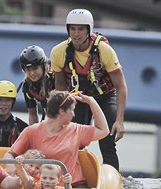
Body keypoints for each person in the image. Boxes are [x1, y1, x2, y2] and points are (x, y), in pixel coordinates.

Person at [50, 8, 127, 171]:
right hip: (78, 98)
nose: (76, 34)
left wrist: (119, 121)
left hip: (104, 96)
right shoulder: (58, 52)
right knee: (73, 140)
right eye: (72, 29)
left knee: (107, 140)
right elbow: (60, 89)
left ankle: (112, 181)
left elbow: (120, 86)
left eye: (80, 29)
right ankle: (74, 180)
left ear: (89, 30)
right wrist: (58, 116)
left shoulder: (104, 50)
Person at [4, 90, 109, 188]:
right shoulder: (32, 131)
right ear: (62, 111)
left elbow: (103, 131)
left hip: (74, 185)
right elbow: (10, 154)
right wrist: (13, 168)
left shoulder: (76, 129)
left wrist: (92, 102)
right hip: (44, 188)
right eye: (72, 110)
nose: (74, 114)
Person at [19, 45, 54, 124]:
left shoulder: (54, 79)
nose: (32, 73)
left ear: (43, 66)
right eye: (28, 70)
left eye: (35, 68)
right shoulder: (27, 86)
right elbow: (32, 114)